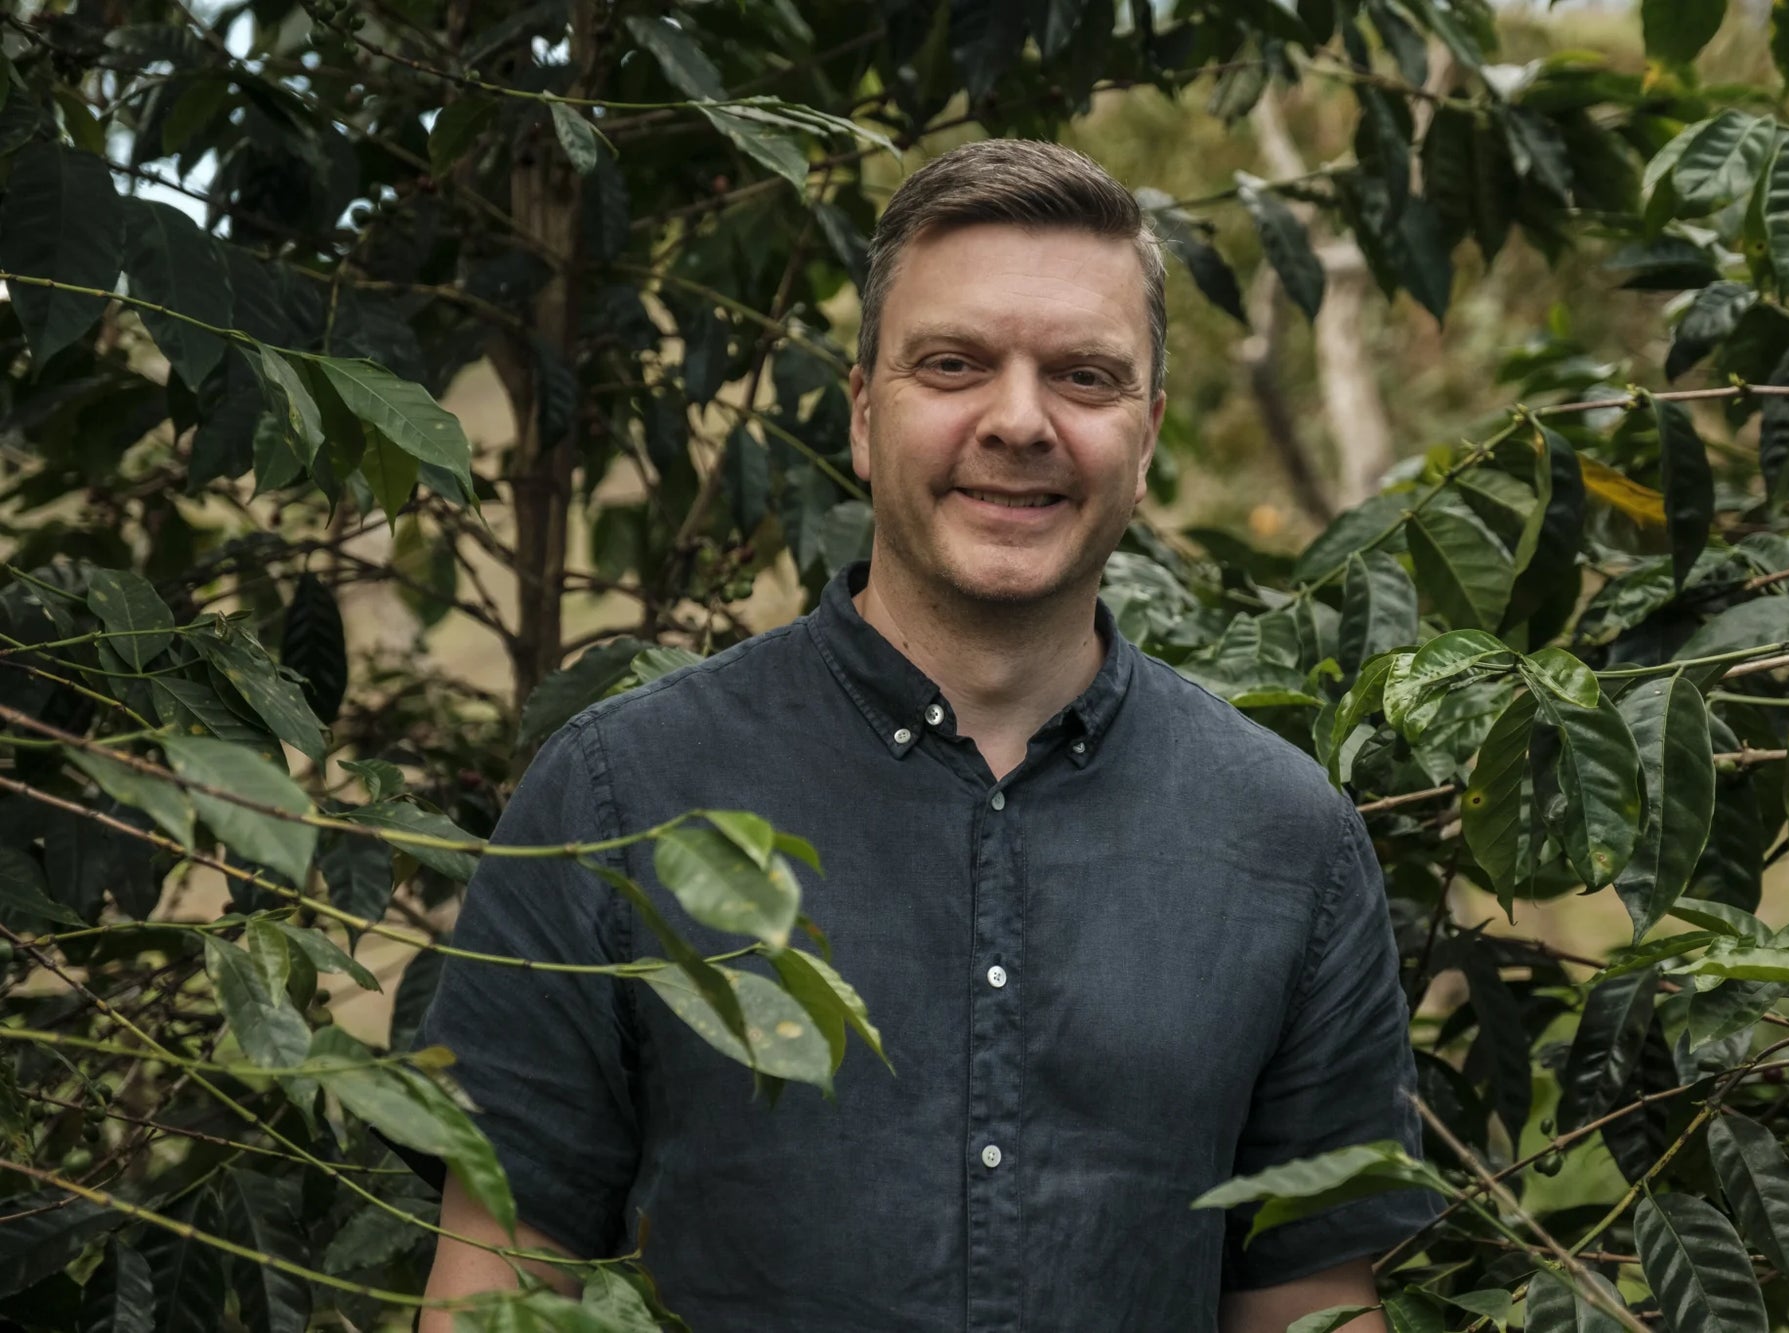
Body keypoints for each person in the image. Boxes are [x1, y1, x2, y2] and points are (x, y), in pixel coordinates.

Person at [413, 138, 1433, 1333]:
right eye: (953, 365)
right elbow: (497, 1289)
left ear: (1147, 436)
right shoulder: (615, 798)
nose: (1019, 421)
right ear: (862, 415)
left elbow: (1308, 1303)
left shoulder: (1286, 838)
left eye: (1084, 377)